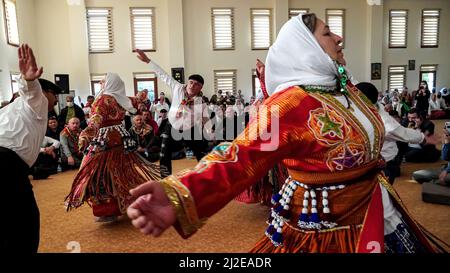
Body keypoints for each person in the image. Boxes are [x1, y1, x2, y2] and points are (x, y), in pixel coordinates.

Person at [127, 14, 444, 253]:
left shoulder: (347, 91)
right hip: (328, 229)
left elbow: (385, 128)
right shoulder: (290, 104)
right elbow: (241, 156)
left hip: (379, 206)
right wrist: (180, 194)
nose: (339, 37)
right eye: (328, 32)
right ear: (306, 46)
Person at [65, 73, 161, 223]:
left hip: (105, 140)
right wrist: (142, 95)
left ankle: (108, 211)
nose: (102, 83)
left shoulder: (104, 99)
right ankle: (134, 202)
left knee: (100, 173)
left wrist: (86, 133)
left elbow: (96, 119)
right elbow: (138, 99)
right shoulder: (121, 98)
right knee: (123, 171)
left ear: (109, 83)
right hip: (120, 138)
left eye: (104, 80)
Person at [0, 44, 62, 252]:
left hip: (10, 166)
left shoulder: (9, 110)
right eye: (54, 93)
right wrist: (29, 80)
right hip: (6, 166)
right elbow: (32, 92)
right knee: (24, 227)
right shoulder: (39, 102)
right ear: (46, 92)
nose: (55, 100)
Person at [356, 82, 437, 184]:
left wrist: (422, 137)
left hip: (386, 163)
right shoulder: (370, 107)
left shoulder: (384, 122)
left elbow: (403, 133)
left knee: (384, 192)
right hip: (374, 160)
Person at [135, 50, 208, 161]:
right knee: (164, 154)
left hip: (190, 129)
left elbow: (204, 118)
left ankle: (205, 175)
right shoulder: (177, 87)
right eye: (191, 82)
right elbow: (162, 74)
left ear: (200, 88)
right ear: (188, 82)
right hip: (172, 126)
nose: (193, 86)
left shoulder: (200, 101)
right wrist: (148, 61)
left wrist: (209, 129)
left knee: (201, 154)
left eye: (197, 84)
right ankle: (165, 177)